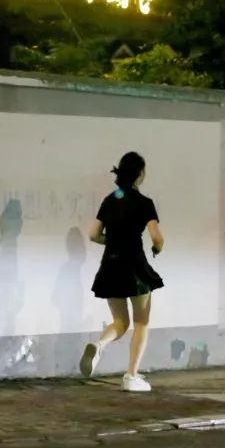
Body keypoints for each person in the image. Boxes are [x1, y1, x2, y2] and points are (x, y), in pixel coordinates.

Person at [79, 152, 165, 393]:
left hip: (110, 264)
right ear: (140, 174)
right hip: (135, 266)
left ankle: (99, 344)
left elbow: (93, 234)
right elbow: (157, 238)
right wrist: (157, 249)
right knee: (141, 322)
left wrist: (114, 241)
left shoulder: (109, 200)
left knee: (120, 321)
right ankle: (131, 375)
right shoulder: (144, 203)